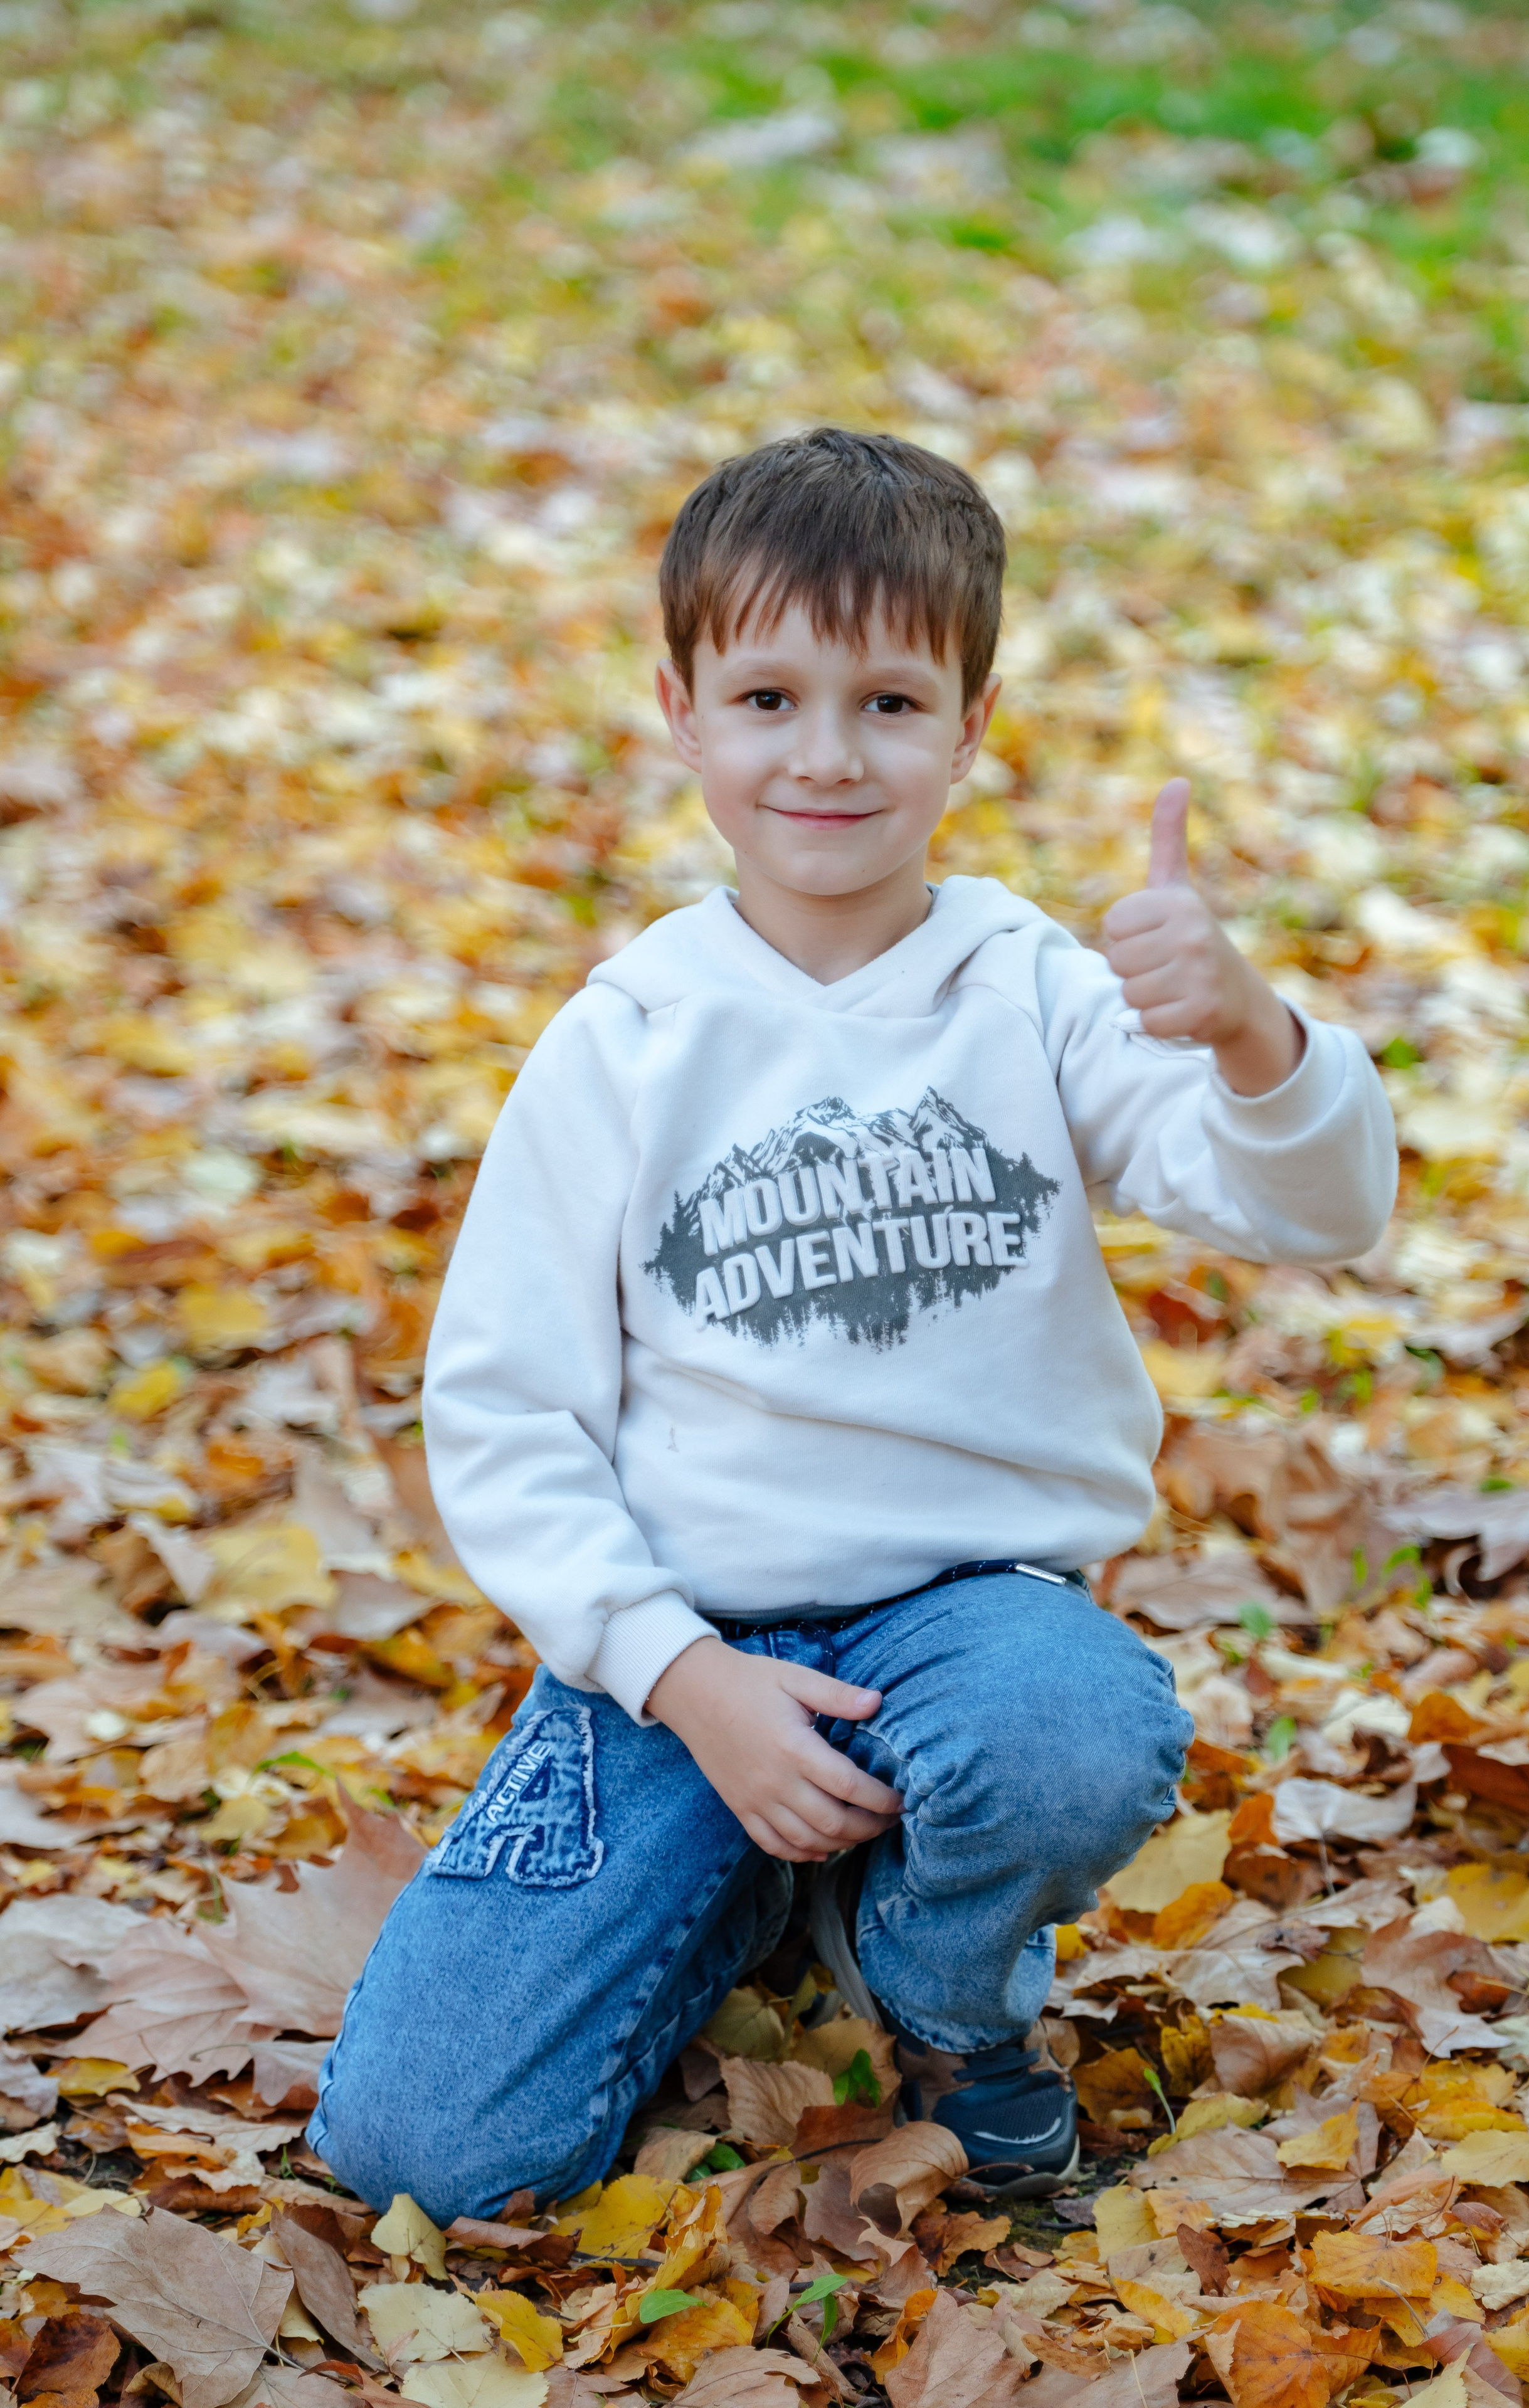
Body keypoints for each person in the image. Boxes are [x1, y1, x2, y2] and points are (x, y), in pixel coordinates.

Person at [310, 427, 1397, 2222]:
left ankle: (941, 1990)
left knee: (1070, 1731)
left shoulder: (1033, 991)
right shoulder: (631, 1035)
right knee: (431, 2155)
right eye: (767, 696)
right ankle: (745, 1875)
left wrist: (1256, 1036)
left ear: (971, 727)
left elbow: (1312, 1209)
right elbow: (506, 1415)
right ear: (681, 710)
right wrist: (679, 1673)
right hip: (679, 1657)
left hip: (964, 1632)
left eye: (891, 703)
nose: (825, 755)